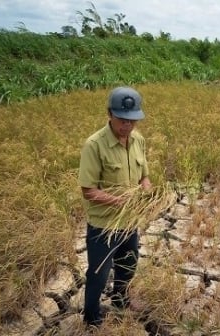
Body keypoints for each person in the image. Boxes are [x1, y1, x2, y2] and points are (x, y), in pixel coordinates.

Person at [77, 86, 152, 327]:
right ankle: (91, 317)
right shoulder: (94, 145)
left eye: (132, 121)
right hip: (103, 225)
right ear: (109, 113)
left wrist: (147, 189)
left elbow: (144, 175)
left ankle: (121, 300)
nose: (127, 125)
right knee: (98, 274)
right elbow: (88, 191)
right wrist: (120, 201)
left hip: (129, 222)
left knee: (128, 263)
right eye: (122, 119)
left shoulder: (138, 140)